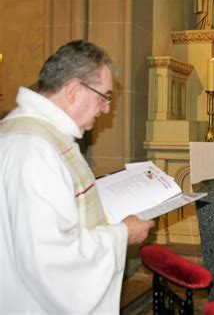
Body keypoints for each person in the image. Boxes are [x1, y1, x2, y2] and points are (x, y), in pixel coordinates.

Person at [0, 40, 155, 313]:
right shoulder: (35, 149)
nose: (106, 108)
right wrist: (122, 234)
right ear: (73, 91)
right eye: (104, 96)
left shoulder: (29, 134)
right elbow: (50, 260)